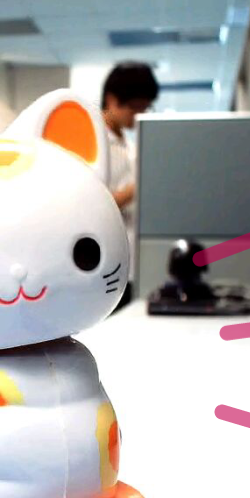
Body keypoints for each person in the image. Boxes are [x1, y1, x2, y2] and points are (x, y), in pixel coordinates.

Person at [100, 62, 158, 312]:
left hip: (133, 264)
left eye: (145, 107)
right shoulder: (96, 143)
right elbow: (92, 207)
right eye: (135, 107)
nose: (140, 114)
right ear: (112, 100)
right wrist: (141, 185)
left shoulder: (128, 145)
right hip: (108, 266)